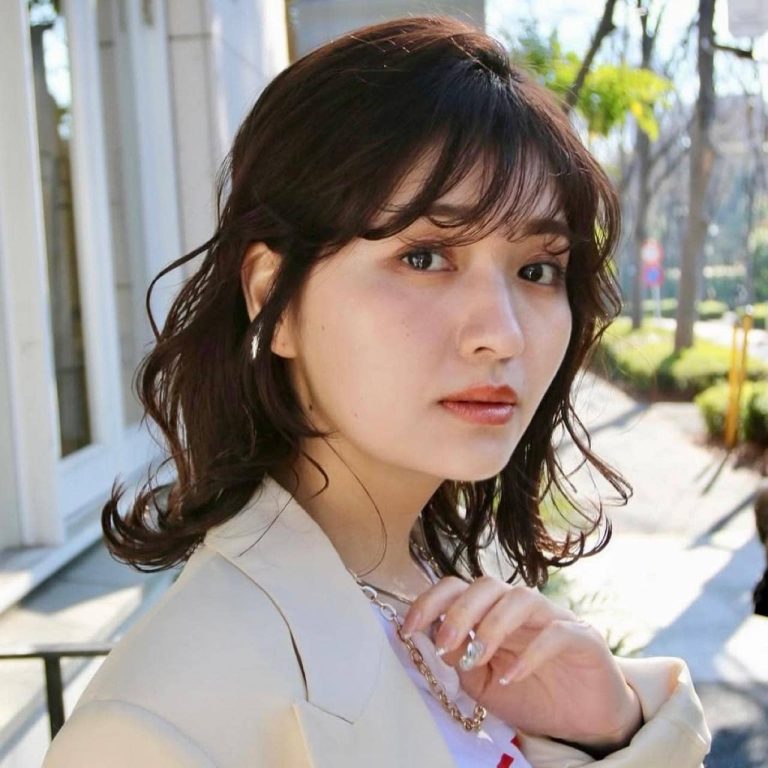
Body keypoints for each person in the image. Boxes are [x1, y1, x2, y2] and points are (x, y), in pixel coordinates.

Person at [44, 16, 710, 767]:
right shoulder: (164, 725)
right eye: (423, 257)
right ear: (272, 298)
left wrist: (606, 732)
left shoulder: (451, 591)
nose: (503, 334)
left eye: (536, 269)